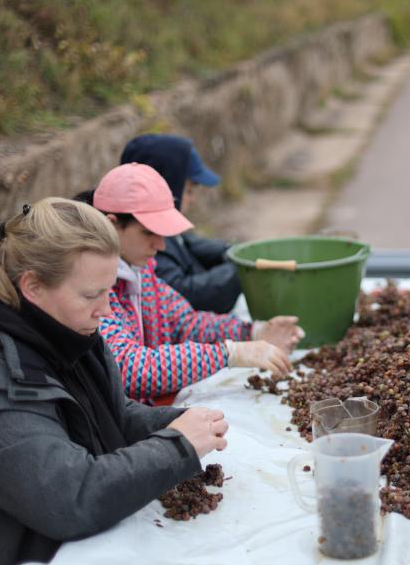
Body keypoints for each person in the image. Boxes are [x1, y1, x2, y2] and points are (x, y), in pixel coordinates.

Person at [0, 198, 229, 565]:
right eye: (91, 294)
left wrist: (177, 423)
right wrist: (177, 447)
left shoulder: (64, 329)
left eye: (109, 291)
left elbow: (109, 414)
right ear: (32, 287)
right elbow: (71, 498)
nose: (107, 310)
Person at [89, 163, 303, 403]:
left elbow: (185, 322)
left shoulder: (139, 270)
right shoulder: (91, 286)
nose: (160, 246)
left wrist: (253, 331)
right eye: (149, 232)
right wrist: (228, 353)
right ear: (111, 224)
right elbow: (131, 369)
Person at [120, 134, 241, 313]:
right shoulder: (136, 263)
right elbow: (182, 297)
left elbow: (191, 244)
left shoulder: (164, 241)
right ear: (168, 186)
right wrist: (241, 271)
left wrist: (236, 254)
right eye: (189, 191)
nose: (159, 244)